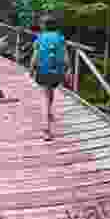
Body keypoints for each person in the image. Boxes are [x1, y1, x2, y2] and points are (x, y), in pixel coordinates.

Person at [30, 12, 71, 141]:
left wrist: (31, 68)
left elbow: (35, 56)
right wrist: (68, 69)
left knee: (45, 98)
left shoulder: (40, 38)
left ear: (43, 26)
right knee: (50, 91)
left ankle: (46, 129)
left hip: (43, 71)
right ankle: (50, 113)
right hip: (57, 72)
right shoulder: (60, 37)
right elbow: (65, 55)